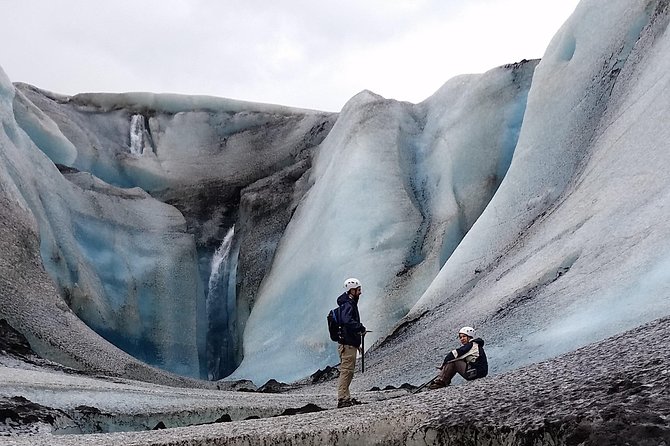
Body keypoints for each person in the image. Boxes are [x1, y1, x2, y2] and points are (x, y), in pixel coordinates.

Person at [335, 277, 366, 408]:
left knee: (348, 371)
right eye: (358, 290)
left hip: (348, 344)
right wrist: (360, 327)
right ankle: (343, 399)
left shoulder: (348, 304)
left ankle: (346, 397)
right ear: (351, 290)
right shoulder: (348, 305)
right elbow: (347, 321)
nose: (360, 292)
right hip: (347, 345)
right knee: (346, 371)